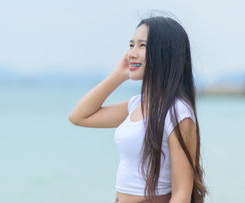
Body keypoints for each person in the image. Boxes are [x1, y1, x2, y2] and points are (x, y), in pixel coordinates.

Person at [68, 16, 207, 203]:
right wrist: (119, 75)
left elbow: (181, 193)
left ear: (164, 53)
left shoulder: (177, 113)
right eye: (131, 45)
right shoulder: (137, 105)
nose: (131, 53)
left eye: (142, 46)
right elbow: (79, 116)